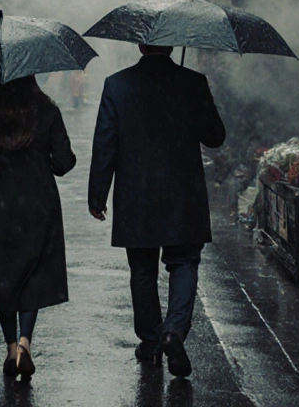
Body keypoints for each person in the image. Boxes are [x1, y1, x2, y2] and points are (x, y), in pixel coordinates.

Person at [87, 45, 226, 378]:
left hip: (137, 193)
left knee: (143, 268)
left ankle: (150, 342)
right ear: (172, 45)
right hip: (183, 192)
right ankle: (173, 331)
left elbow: (106, 142)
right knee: (183, 262)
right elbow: (215, 136)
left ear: (140, 45)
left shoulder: (117, 84)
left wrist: (97, 195)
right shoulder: (193, 82)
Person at [0, 75, 76, 378]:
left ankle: (11, 347)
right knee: (33, 274)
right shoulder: (46, 109)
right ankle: (26, 340)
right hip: (37, 202)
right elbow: (64, 162)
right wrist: (45, 162)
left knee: (4, 276)